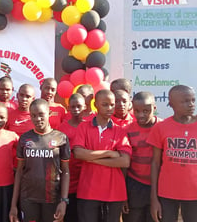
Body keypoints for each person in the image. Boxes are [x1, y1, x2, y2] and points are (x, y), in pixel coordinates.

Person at [73, 89, 132, 222]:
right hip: (88, 191)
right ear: (96, 104)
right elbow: (78, 153)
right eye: (105, 104)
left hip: (114, 193)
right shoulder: (84, 127)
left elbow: (124, 162)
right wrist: (109, 153)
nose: (110, 108)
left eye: (112, 105)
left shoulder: (119, 131)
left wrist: (90, 158)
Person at [9, 99, 70, 222]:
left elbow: (65, 171)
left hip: (52, 198)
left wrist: (64, 201)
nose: (37, 119)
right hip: (28, 198)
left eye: (41, 114)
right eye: (33, 115)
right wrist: (13, 205)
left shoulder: (61, 138)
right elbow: (19, 171)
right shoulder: (25, 139)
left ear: (49, 113)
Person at [147, 85, 197, 222]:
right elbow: (155, 163)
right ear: (172, 103)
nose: (191, 104)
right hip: (167, 193)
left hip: (194, 194)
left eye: (193, 100)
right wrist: (154, 199)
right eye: (185, 101)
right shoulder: (161, 128)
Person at [122, 92, 161, 222]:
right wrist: (123, 194)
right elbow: (124, 164)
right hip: (134, 185)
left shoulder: (162, 128)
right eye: (137, 111)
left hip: (159, 186)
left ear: (154, 108)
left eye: (146, 111)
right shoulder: (127, 130)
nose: (141, 115)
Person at [58, 93, 86, 222]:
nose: (76, 110)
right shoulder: (62, 128)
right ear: (68, 108)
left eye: (79, 106)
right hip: (70, 179)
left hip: (87, 177)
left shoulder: (89, 126)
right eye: (72, 107)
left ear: (85, 106)